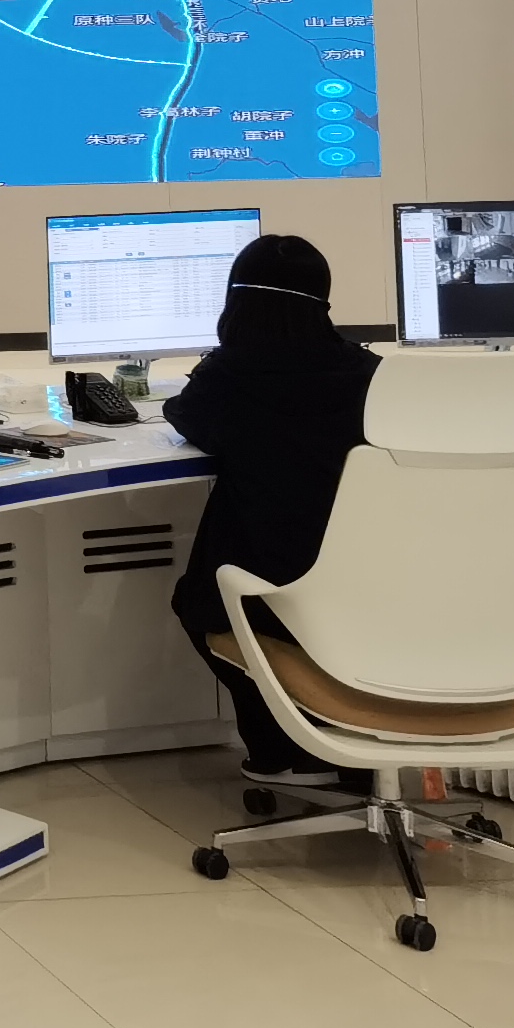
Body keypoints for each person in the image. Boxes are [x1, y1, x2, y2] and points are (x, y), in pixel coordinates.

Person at [162, 234, 381, 788]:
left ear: (237, 302)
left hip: (266, 592)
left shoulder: (229, 380)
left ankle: (281, 749)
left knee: (196, 602)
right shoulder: (372, 375)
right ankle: (338, 741)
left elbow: (186, 415)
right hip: (370, 591)